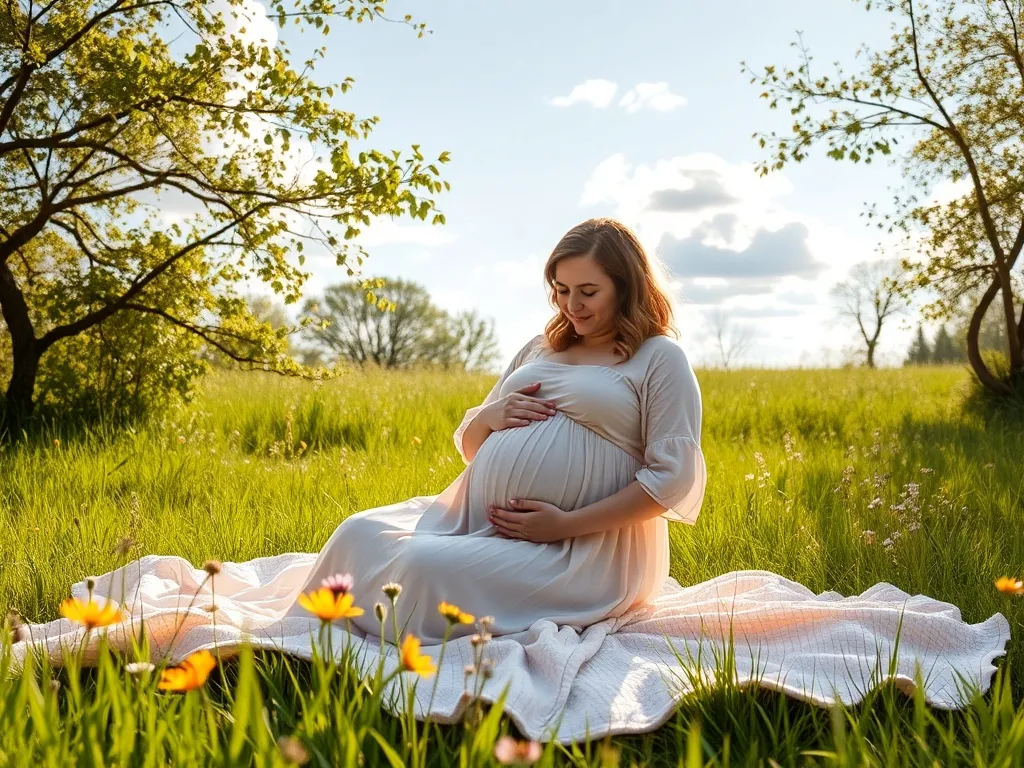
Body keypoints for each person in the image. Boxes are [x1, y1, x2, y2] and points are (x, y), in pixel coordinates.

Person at [11, 218, 1011, 745]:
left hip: (591, 552)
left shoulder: (658, 362)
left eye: (586, 291)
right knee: (363, 532)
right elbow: (465, 438)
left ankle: (391, 627)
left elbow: (667, 485)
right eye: (560, 291)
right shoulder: (543, 344)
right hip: (494, 521)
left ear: (626, 285)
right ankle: (362, 619)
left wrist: (564, 516)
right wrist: (494, 420)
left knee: (420, 574)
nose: (570, 306)